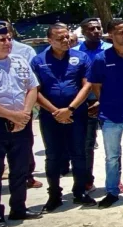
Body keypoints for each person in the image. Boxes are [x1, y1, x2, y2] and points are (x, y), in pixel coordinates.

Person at [0, 21, 43, 227]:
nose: (8, 42)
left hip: (21, 121)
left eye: (9, 39)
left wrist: (24, 114)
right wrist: (11, 115)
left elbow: (32, 88)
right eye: (2, 39)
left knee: (20, 168)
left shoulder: (19, 61)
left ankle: (19, 208)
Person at [30, 23, 97, 212]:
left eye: (67, 36)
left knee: (79, 153)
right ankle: (54, 195)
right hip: (50, 116)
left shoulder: (81, 57)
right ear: (49, 40)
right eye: (60, 38)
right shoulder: (38, 61)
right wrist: (56, 112)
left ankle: (80, 191)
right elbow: (34, 90)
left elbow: (87, 85)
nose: (66, 40)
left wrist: (70, 109)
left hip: (77, 114)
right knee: (53, 156)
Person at [87, 19, 123, 208]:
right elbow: (96, 85)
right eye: (121, 32)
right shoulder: (101, 59)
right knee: (112, 157)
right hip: (111, 117)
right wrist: (105, 102)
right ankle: (112, 192)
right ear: (110, 36)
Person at [73, 18, 113, 193]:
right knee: (86, 145)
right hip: (84, 105)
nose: (96, 31)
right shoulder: (74, 53)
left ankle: (114, 180)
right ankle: (87, 181)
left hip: (108, 102)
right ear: (83, 32)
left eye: (98, 28)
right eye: (91, 29)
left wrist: (101, 100)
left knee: (112, 145)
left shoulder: (110, 50)